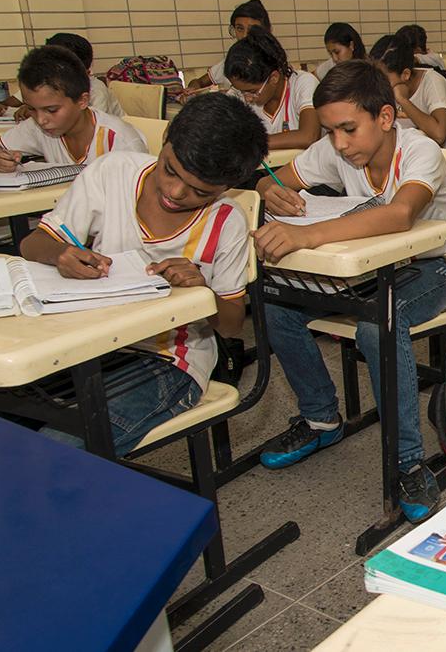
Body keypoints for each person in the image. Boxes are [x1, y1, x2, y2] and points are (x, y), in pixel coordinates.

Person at [252, 60, 446, 523]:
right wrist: (266, 189)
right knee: (276, 307)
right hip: (369, 269)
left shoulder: (420, 150)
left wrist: (309, 236)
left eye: (349, 129)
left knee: (378, 325)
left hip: (436, 266)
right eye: (331, 131)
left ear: (386, 118)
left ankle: (408, 461)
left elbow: (399, 215)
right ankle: (320, 419)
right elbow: (274, 178)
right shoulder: (338, 149)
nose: (338, 142)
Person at [20, 93, 268, 454]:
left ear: (224, 188)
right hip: (91, 341)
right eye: (170, 169)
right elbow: (31, 245)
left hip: (169, 360)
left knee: (57, 451)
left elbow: (231, 325)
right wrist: (62, 253)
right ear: (165, 140)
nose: (175, 192)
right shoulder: (113, 172)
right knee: (1, 418)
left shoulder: (225, 221)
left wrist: (202, 292)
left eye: (200, 191)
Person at [0, 45, 146, 171]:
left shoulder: (121, 142)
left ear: (83, 101)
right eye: (31, 109)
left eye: (52, 110)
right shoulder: (39, 126)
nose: (41, 120)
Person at [0, 32, 123, 120]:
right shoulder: (45, 84)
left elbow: (89, 125)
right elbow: (9, 104)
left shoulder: (96, 91)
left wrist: (38, 111)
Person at [223, 27, 322, 151]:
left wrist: (251, 144)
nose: (246, 98)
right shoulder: (240, 94)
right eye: (241, 91)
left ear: (274, 78)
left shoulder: (303, 83)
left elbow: (309, 136)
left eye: (252, 92)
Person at [371, 33, 446, 150]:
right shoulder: (384, 86)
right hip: (407, 155)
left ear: (405, 74)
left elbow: (439, 135)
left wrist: (403, 100)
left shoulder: (433, 82)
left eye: (383, 77)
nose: (377, 83)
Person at [181, 0, 271, 96]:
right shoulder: (230, 62)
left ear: (266, 31)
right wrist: (192, 91)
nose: (245, 36)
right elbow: (199, 82)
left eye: (252, 29)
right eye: (240, 28)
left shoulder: (272, 66)